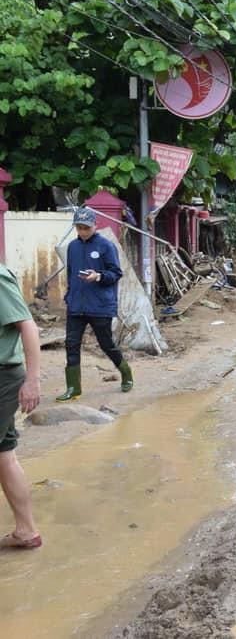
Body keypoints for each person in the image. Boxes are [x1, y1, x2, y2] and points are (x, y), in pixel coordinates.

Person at [57, 207, 133, 401]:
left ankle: (126, 372)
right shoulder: (72, 247)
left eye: (86, 228)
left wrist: (98, 276)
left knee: (106, 343)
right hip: (76, 305)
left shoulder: (106, 246)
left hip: (99, 305)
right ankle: (73, 387)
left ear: (95, 226)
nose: (82, 231)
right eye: (79, 227)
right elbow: (71, 274)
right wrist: (69, 295)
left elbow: (116, 273)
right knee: (71, 344)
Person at [0, 263, 41, 548]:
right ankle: (26, 531)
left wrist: (33, 380)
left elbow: (28, 325)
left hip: (2, 376)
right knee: (4, 455)